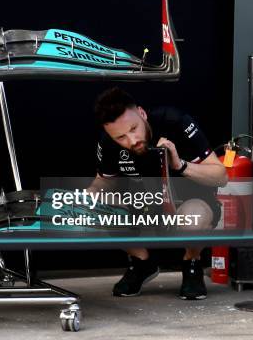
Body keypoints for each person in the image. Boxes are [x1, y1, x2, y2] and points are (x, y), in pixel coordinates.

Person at [87, 87, 228, 300]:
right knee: (98, 204)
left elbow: (221, 176)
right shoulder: (108, 142)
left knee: (195, 216)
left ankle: (192, 263)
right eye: (121, 137)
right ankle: (142, 263)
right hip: (145, 206)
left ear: (142, 113)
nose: (132, 140)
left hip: (189, 204)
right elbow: (103, 183)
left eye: (134, 128)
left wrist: (180, 165)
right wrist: (88, 197)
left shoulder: (175, 121)